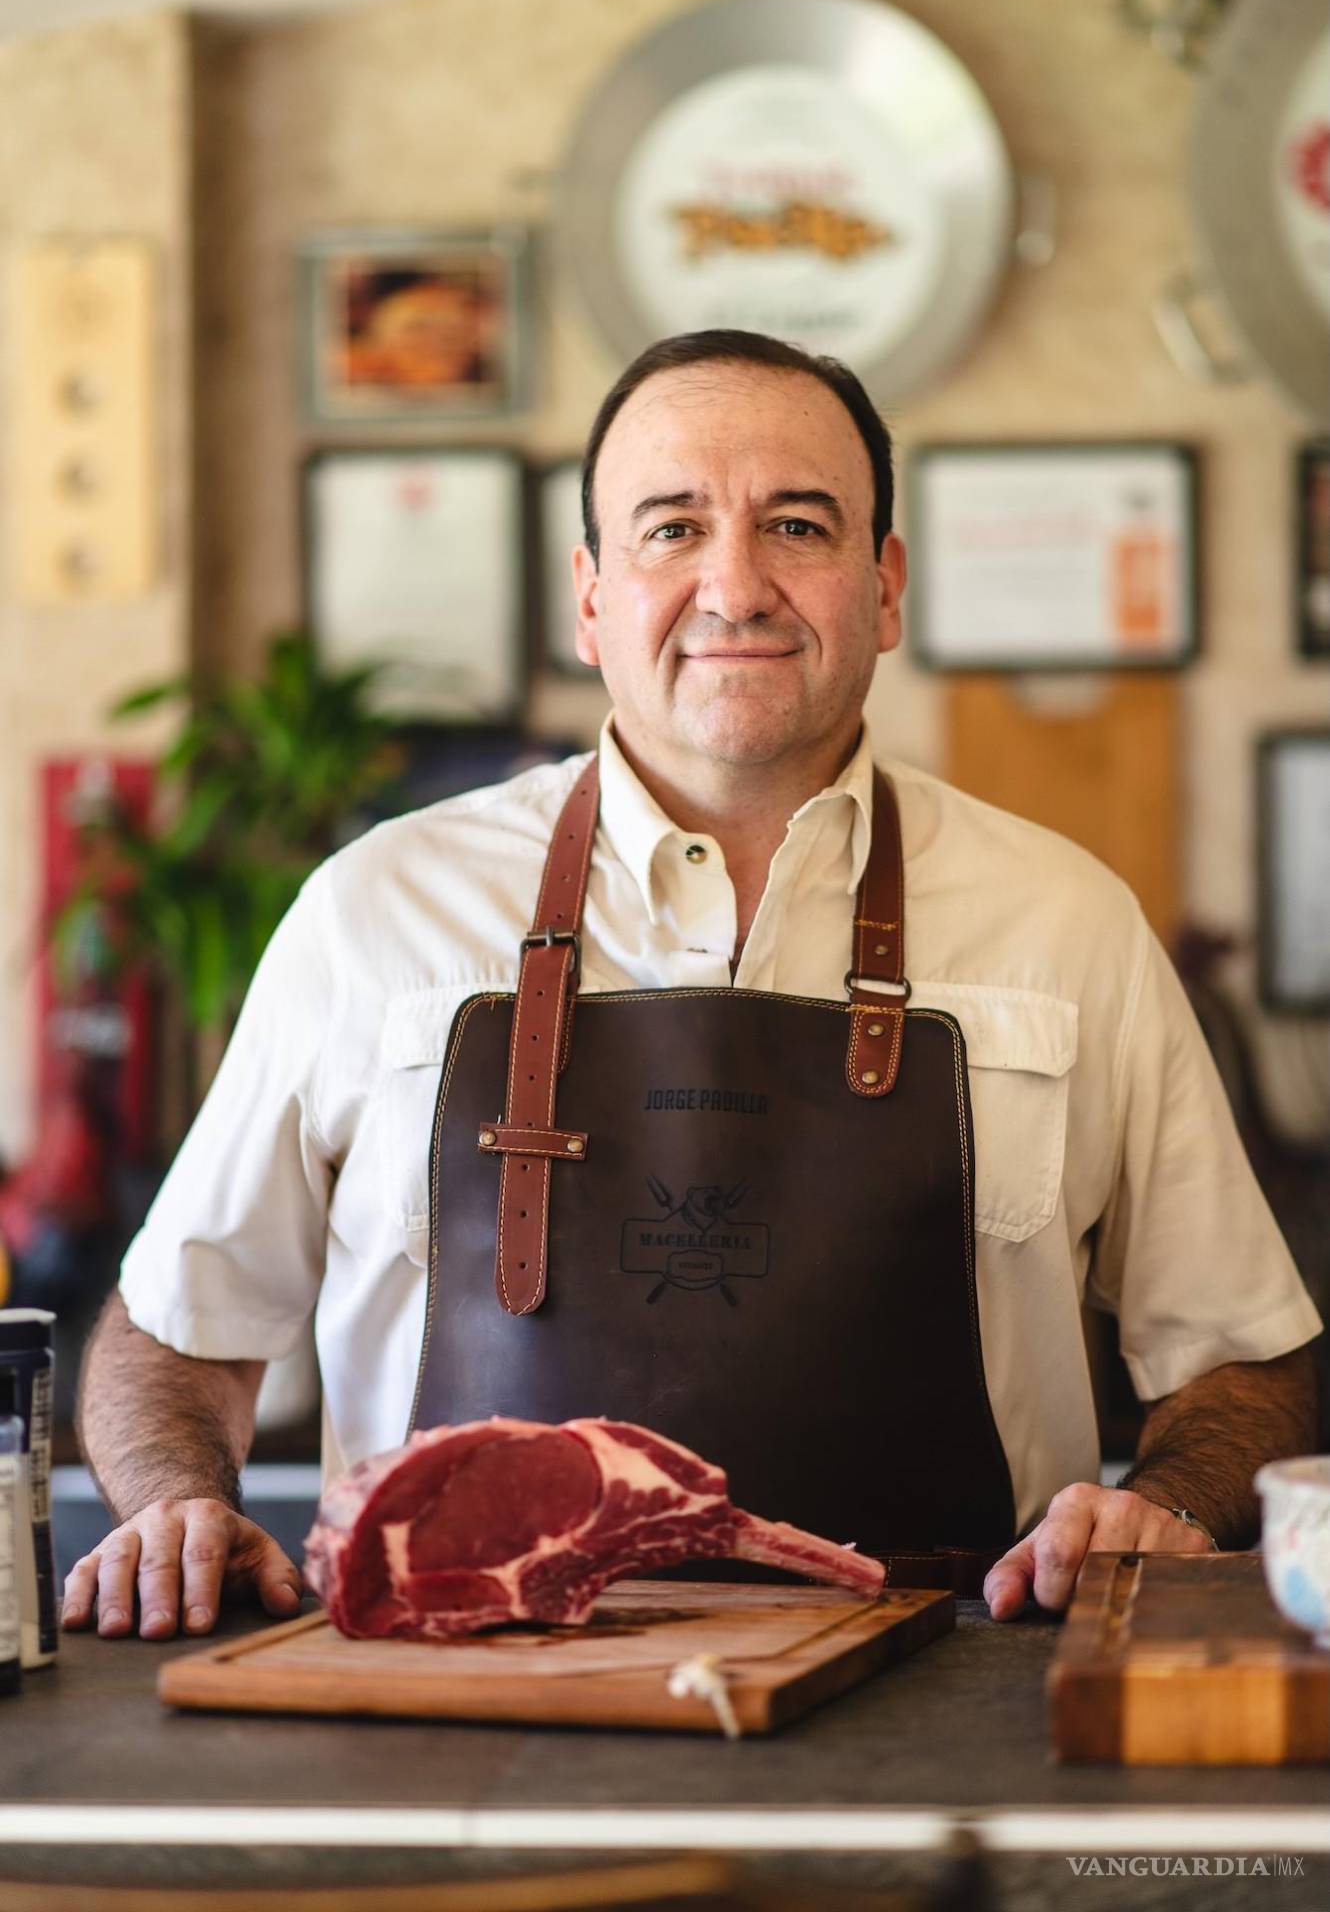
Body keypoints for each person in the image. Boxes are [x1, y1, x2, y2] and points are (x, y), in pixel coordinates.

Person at [64, 330, 1320, 1646]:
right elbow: (181, 1333)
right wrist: (175, 1507)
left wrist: (1165, 1505)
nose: (734, 587)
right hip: (448, 1696)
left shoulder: (1068, 925)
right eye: (672, 529)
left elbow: (1242, 1355)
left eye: (797, 526)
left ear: (885, 587)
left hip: (953, 1692)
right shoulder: (374, 914)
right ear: (590, 597)